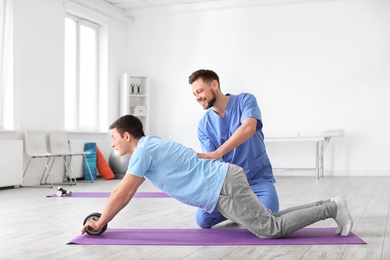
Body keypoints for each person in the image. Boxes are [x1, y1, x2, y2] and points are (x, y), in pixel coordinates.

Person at [81, 115, 353, 238]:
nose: (113, 144)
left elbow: (122, 192)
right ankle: (331, 204)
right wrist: (104, 219)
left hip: (222, 187)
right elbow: (128, 191)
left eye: (114, 138)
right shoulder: (150, 145)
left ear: (127, 136)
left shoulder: (143, 151)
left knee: (270, 229)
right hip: (223, 183)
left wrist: (101, 221)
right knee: (271, 221)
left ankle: (332, 207)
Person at [188, 69, 279, 228]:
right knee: (203, 220)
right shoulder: (204, 125)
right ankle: (245, 212)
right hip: (231, 186)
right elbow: (213, 163)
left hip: (257, 179)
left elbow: (249, 128)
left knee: (270, 213)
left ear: (214, 85)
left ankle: (240, 212)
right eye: (194, 94)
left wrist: (218, 152)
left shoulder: (245, 100)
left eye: (200, 91)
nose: (197, 98)